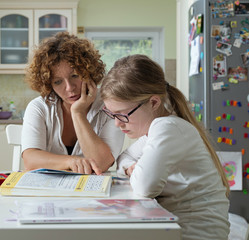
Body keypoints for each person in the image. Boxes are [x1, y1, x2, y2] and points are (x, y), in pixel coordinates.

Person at [100, 54, 230, 240]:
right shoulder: (157, 130)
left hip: (196, 235)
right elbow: (122, 159)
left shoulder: (167, 127)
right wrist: (132, 169)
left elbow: (146, 187)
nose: (117, 124)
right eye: (112, 115)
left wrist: (137, 171)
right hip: (176, 227)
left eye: (122, 114)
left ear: (153, 102)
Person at [22, 32, 124, 175]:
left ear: (88, 72)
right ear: (49, 84)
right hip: (50, 190)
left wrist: (78, 113)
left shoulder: (110, 105)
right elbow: (30, 160)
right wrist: (70, 161)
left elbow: (101, 164)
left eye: (75, 75)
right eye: (58, 81)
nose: (69, 87)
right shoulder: (39, 107)